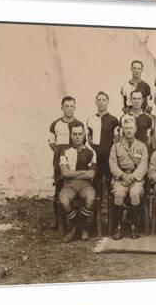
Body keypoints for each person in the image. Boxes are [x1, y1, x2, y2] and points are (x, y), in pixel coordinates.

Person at [109, 116, 149, 240]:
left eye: (131, 128)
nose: (128, 130)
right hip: (120, 178)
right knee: (119, 194)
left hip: (135, 178)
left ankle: (134, 226)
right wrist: (122, 176)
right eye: (126, 128)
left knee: (135, 193)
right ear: (122, 130)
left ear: (136, 129)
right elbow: (112, 163)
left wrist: (133, 177)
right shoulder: (116, 147)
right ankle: (118, 227)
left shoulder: (142, 146)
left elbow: (143, 164)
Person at [48, 96, 85, 226]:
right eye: (66, 106)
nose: (69, 109)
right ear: (62, 108)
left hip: (74, 157)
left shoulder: (78, 125)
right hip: (60, 157)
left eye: (71, 106)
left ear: (75, 107)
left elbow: (81, 143)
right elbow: (52, 143)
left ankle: (75, 218)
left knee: (73, 184)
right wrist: (60, 152)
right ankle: (58, 219)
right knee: (59, 187)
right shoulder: (55, 124)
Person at [57, 125, 97, 243]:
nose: (77, 137)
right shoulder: (65, 152)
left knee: (91, 198)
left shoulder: (90, 152)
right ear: (71, 135)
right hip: (69, 184)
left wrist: (73, 173)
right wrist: (83, 172)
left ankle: (75, 229)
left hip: (85, 185)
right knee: (63, 200)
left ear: (84, 135)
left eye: (80, 134)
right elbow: (64, 173)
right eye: (75, 134)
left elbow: (91, 175)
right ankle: (81, 227)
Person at [86, 92, 119, 195]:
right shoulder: (90, 120)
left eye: (103, 100)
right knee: (96, 182)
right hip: (96, 156)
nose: (101, 102)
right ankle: (97, 209)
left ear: (107, 102)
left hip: (109, 155)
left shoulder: (113, 120)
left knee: (110, 183)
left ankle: (110, 209)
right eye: (99, 100)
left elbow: (117, 139)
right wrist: (93, 151)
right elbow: (89, 138)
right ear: (95, 102)